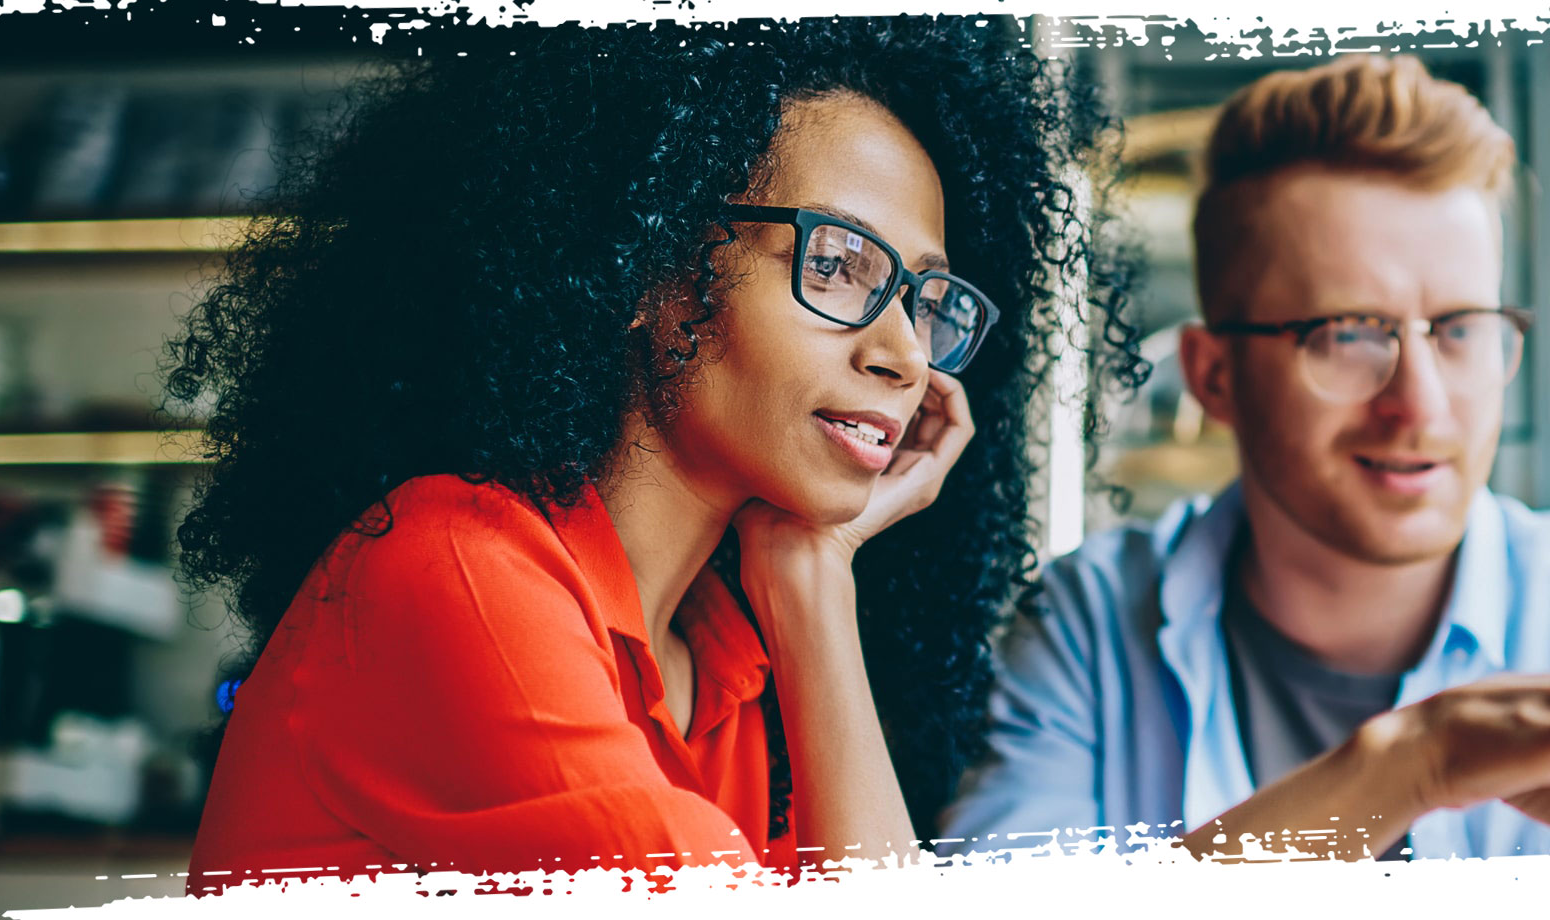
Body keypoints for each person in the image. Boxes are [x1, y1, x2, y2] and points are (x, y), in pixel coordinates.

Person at [171, 19, 1143, 890]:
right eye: (838, 264)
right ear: (648, 267)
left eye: (924, 300)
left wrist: (812, 574)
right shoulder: (453, 568)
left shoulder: (721, 666)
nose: (902, 353)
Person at [938, 55, 1550, 862]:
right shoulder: (1087, 628)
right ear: (1213, 375)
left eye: (1460, 329)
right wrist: (1407, 768)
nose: (1418, 401)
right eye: (1348, 333)